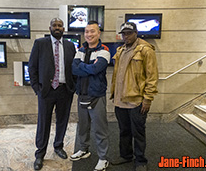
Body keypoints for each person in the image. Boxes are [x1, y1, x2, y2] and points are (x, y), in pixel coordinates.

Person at [28, 18, 76, 170]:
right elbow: (32, 67)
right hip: (46, 91)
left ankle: (58, 146)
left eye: (60, 25)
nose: (57, 28)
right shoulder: (40, 44)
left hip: (65, 90)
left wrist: (73, 86)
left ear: (63, 28)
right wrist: (37, 88)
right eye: (54, 25)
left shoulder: (70, 45)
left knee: (62, 120)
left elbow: (74, 67)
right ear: (49, 28)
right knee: (44, 123)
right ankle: (40, 154)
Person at [110, 22, 158, 171]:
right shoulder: (120, 50)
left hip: (137, 102)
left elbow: (152, 77)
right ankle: (125, 156)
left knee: (138, 132)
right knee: (124, 131)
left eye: (129, 33)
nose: (126, 36)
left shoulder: (145, 50)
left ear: (136, 33)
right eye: (124, 33)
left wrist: (147, 99)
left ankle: (141, 160)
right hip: (120, 100)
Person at [71, 21, 110, 171]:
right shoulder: (80, 49)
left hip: (97, 96)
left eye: (92, 31)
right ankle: (83, 150)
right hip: (82, 94)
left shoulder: (104, 50)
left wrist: (82, 66)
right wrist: (87, 67)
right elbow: (74, 69)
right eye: (86, 31)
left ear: (99, 33)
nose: (89, 34)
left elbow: (96, 69)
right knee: (83, 125)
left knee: (100, 128)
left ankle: (103, 158)